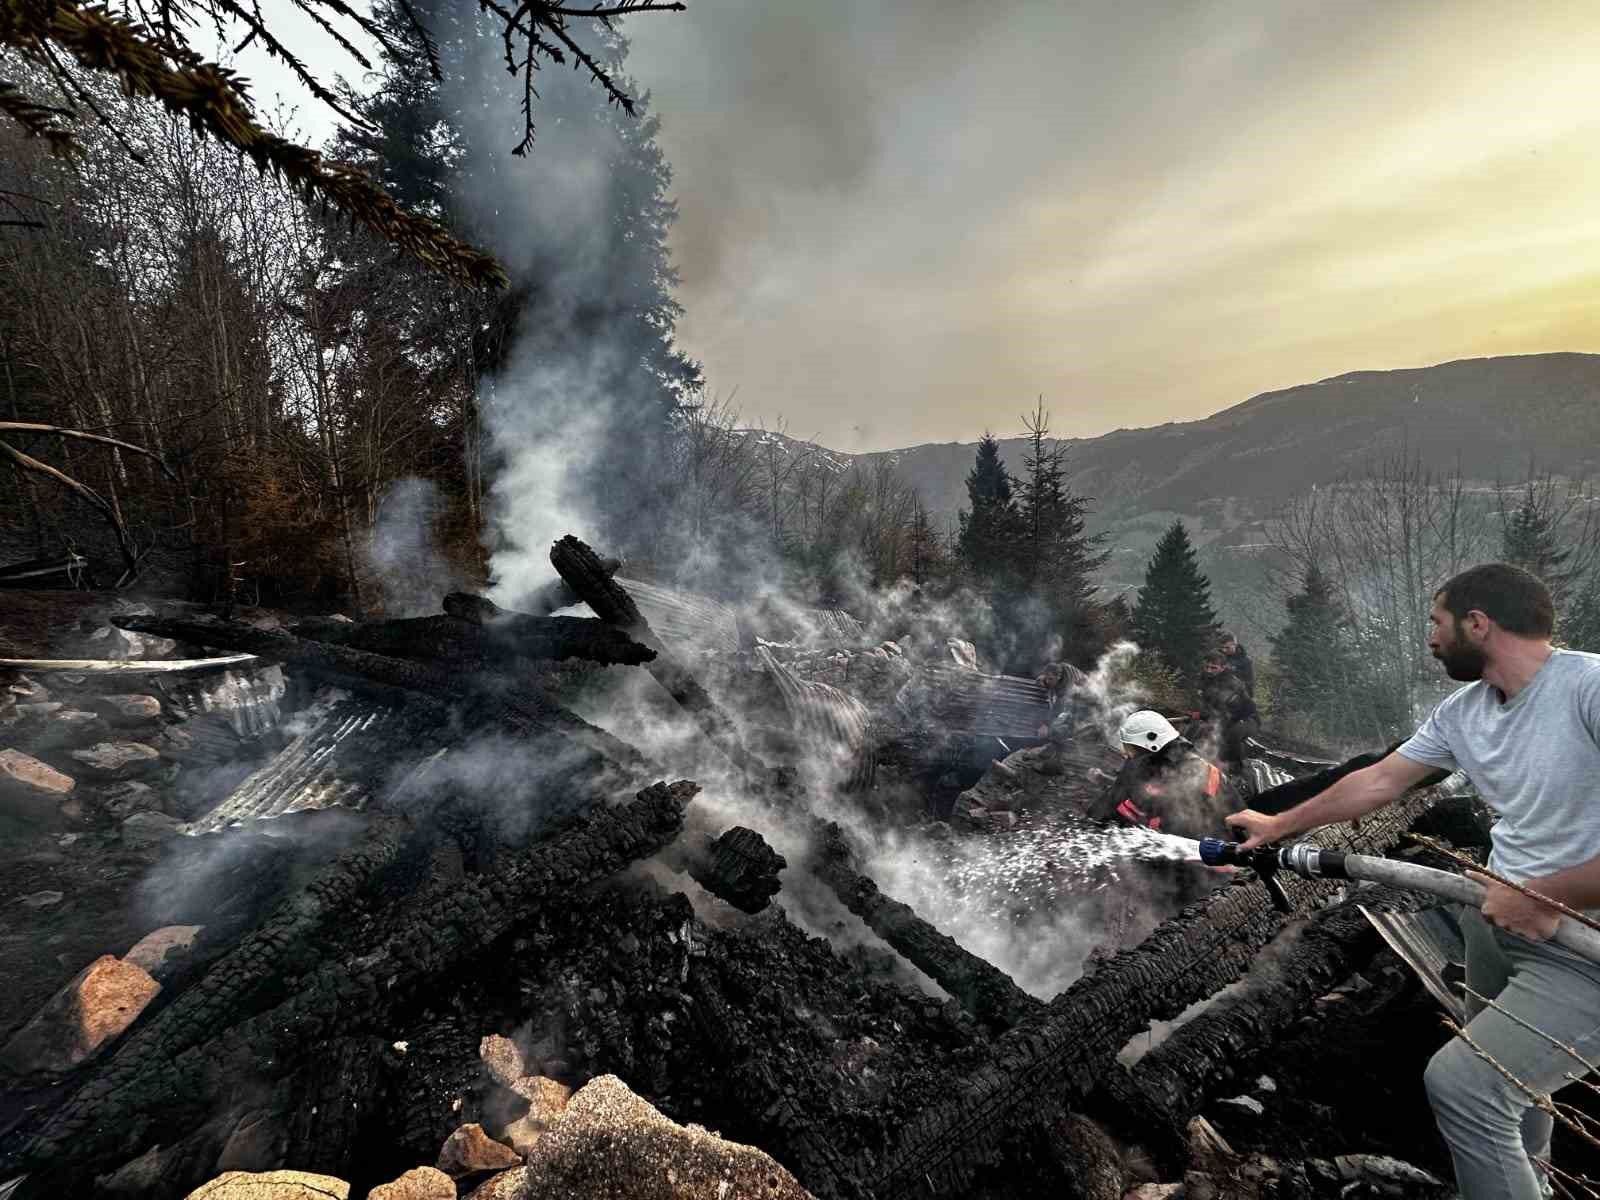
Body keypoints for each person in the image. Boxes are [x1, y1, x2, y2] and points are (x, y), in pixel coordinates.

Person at [1226, 563, 1600, 1200]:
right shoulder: (1464, 712)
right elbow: (1378, 781)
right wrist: (1278, 824)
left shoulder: (1590, 688)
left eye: (1437, 621)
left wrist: (1553, 896)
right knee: (1516, 1100)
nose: (1429, 636)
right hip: (1496, 923)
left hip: (1584, 952)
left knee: (1466, 1088)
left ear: (1477, 624)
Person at [1090, 709, 1235, 841]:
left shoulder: (1202, 774)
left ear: (1151, 744)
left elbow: (1233, 819)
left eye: (1131, 748)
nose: (1127, 753)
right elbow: (1112, 799)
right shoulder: (1142, 763)